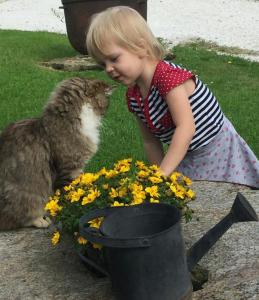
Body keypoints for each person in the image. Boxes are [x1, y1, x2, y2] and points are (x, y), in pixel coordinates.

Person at [86, 5, 259, 188]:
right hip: (189, 154)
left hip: (218, 149)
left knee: (229, 195)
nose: (108, 69)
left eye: (114, 59)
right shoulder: (134, 97)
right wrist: (158, 180)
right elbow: (150, 142)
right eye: (102, 63)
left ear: (141, 47)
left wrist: (164, 173)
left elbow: (186, 127)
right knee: (192, 200)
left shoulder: (167, 78)